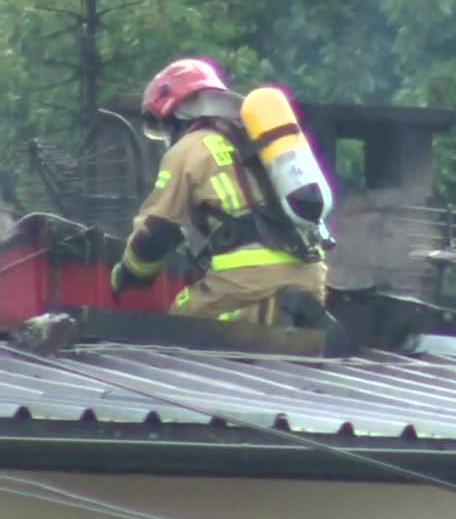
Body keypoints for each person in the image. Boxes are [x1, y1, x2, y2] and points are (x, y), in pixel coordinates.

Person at [109, 57, 328, 326]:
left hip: (250, 281)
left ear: (176, 113)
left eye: (164, 126)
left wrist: (129, 273)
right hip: (313, 279)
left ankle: (263, 314)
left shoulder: (188, 148)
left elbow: (155, 231)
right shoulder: (257, 139)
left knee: (181, 321)